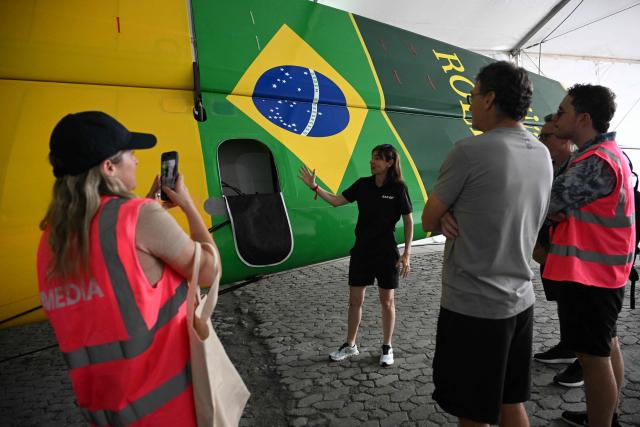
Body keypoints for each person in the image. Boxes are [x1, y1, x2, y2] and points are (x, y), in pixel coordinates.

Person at [37, 111, 220, 426]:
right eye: (130, 155)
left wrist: (145, 208)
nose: (136, 161)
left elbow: (115, 268)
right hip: (169, 410)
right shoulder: (141, 217)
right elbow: (208, 271)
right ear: (109, 167)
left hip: (106, 413)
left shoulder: (51, 238)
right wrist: (187, 205)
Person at [422, 61, 553, 426]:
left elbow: (429, 219)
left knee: (473, 413)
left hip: (474, 308)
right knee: (511, 403)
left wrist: (448, 211)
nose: (470, 102)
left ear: (491, 99)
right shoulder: (542, 152)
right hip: (521, 301)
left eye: (473, 95)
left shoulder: (468, 152)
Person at [542, 85, 632, 427]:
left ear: (583, 118)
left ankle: (603, 421)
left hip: (590, 277)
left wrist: (550, 209)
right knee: (606, 348)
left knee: (594, 359)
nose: (557, 118)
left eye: (563, 112)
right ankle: (607, 416)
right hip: (601, 274)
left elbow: (546, 204)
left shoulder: (594, 162)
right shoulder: (605, 154)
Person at [298, 144, 413, 367]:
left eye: (378, 159)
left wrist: (407, 253)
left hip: (386, 253)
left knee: (387, 302)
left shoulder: (399, 188)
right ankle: (350, 345)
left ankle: (387, 347)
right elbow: (335, 200)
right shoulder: (363, 185)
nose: (372, 162)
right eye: (372, 158)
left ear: (389, 163)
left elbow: (408, 220)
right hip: (362, 251)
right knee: (354, 300)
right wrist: (315, 187)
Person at [532, 114, 584, 388]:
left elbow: (554, 209)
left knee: (580, 306)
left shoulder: (579, 169)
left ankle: (585, 361)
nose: (541, 141)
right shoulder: (551, 166)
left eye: (546, 136)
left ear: (565, 140)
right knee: (564, 300)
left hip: (576, 256)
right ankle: (569, 346)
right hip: (552, 249)